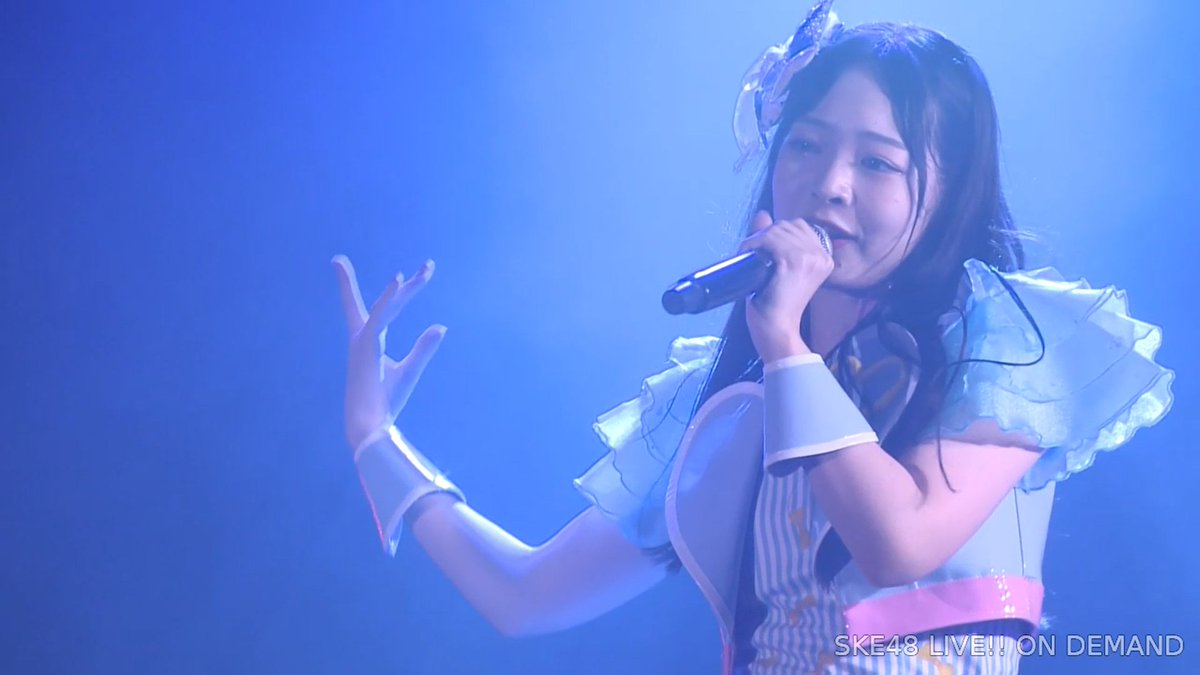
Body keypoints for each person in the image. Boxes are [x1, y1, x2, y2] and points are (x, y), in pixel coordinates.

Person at [330, 4, 1174, 673]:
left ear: (950, 190)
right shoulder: (734, 401)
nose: (829, 184)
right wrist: (375, 439)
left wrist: (786, 347)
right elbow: (527, 595)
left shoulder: (1007, 345)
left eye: (877, 163)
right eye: (805, 145)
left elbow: (898, 541)